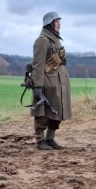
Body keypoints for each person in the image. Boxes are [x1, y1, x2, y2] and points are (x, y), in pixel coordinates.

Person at [30, 11, 73, 150]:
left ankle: (50, 139)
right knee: (44, 112)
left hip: (60, 82)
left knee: (58, 111)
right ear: (49, 24)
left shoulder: (55, 39)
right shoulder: (42, 40)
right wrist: (38, 85)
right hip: (48, 81)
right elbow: (38, 64)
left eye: (59, 21)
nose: (59, 24)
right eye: (56, 21)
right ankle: (40, 140)